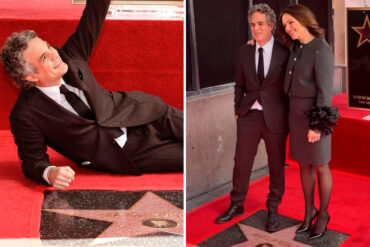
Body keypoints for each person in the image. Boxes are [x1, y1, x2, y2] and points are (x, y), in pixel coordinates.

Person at [0, 0, 183, 190]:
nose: (55, 54)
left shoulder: (71, 55)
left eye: (48, 46)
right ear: (31, 75)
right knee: (191, 155)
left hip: (148, 114)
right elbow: (32, 162)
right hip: (128, 152)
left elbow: (95, 12)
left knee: (201, 134)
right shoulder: (25, 114)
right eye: (44, 57)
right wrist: (50, 172)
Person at [214, 4, 289, 233]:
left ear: (271, 26)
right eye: (252, 24)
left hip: (275, 117)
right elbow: (239, 83)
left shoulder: (285, 53)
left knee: (276, 165)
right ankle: (236, 204)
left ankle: (273, 208)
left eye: (260, 24)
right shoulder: (244, 51)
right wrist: (238, 108)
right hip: (248, 116)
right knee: (241, 163)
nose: (255, 29)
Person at [278, 4, 339, 239]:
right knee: (303, 164)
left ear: (304, 19)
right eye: (285, 25)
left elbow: (325, 91)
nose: (288, 28)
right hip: (295, 116)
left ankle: (323, 214)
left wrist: (316, 125)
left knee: (321, 165)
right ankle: (308, 211)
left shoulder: (321, 49)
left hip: (315, 117)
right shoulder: (294, 47)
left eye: (291, 22)